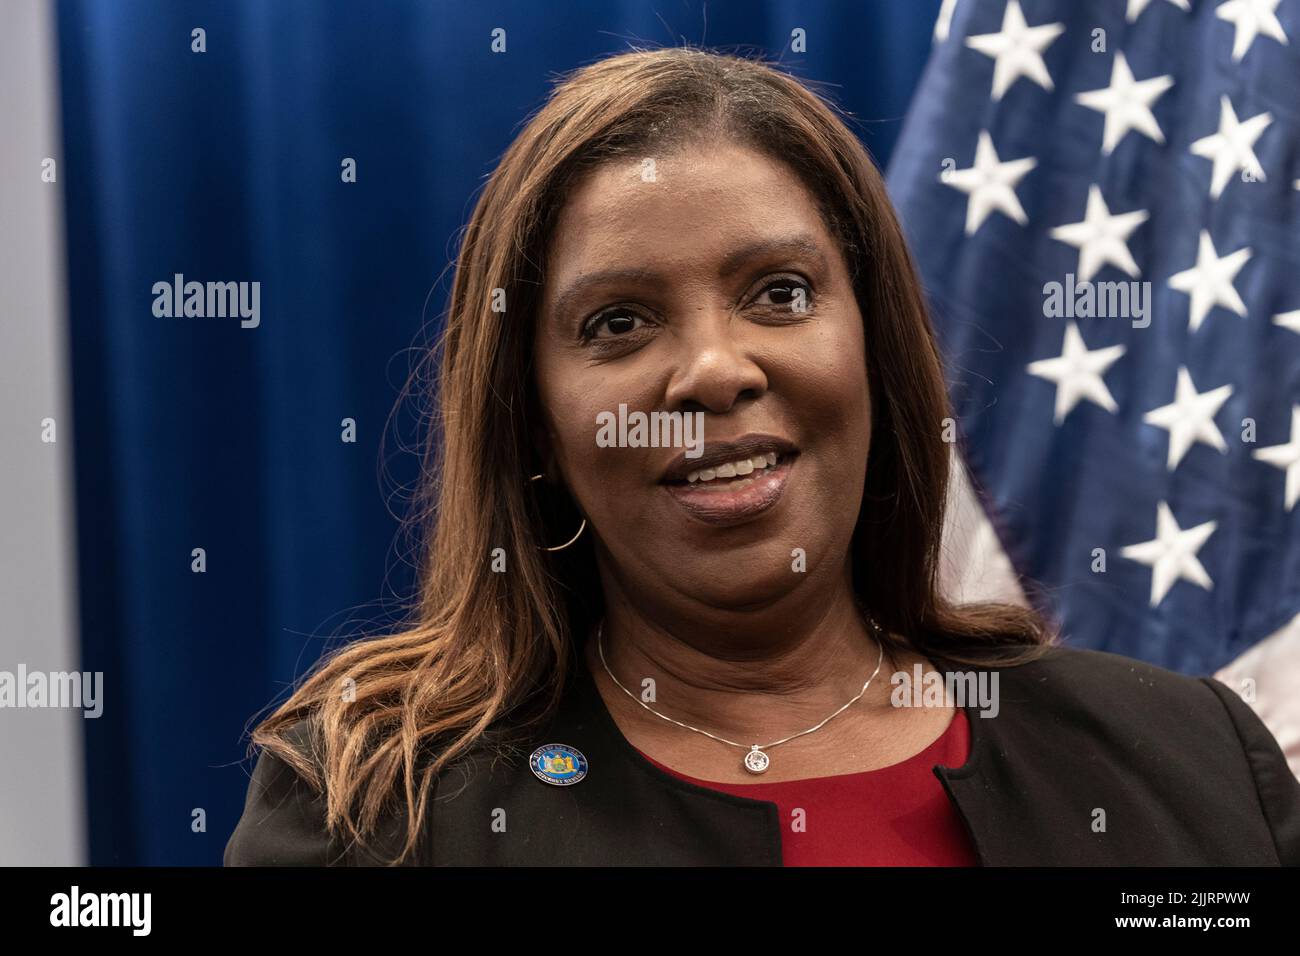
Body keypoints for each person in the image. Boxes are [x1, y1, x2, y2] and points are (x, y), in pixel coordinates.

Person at [225, 46, 1300, 867]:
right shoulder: (374, 814)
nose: (712, 369)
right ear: (534, 424)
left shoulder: (1189, 762)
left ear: (876, 347)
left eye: (778, 293)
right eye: (617, 322)